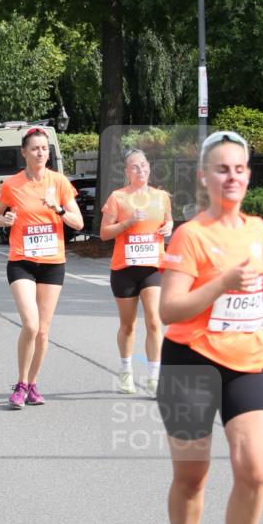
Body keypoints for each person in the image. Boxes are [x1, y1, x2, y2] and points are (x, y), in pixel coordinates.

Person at [157, 130, 263, 524]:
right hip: (190, 360)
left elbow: (250, 289)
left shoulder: (256, 228)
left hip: (248, 359)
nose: (232, 177)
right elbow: (170, 308)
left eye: (239, 169)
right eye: (222, 169)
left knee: (255, 470)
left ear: (247, 176)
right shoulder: (190, 234)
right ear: (204, 177)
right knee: (193, 476)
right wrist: (223, 283)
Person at [0, 126, 83, 409]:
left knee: (43, 330)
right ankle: (19, 383)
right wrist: (2, 221)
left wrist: (59, 209)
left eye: (44, 148)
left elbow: (78, 223)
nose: (40, 153)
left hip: (52, 263)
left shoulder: (59, 182)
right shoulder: (12, 184)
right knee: (30, 324)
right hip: (22, 262)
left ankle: (32, 383)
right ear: (24, 153)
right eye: (34, 149)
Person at [100, 149, 173, 395]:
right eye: (134, 167)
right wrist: (128, 222)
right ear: (126, 172)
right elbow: (104, 233)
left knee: (154, 321)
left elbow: (168, 221)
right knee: (128, 325)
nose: (140, 170)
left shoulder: (161, 196)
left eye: (143, 165)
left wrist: (169, 227)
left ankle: (154, 377)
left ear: (149, 167)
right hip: (125, 269)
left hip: (152, 266)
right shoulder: (118, 198)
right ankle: (126, 371)